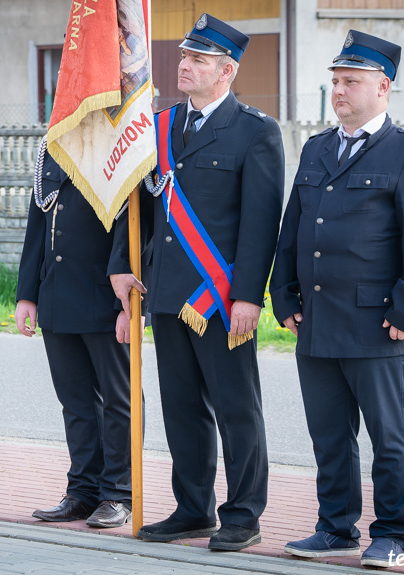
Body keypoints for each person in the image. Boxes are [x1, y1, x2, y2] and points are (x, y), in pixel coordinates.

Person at [269, 30, 404, 568]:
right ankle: (335, 527)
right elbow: (292, 228)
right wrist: (283, 296)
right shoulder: (318, 147)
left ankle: (391, 533)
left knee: (389, 438)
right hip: (318, 321)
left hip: (377, 323)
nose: (339, 90)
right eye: (336, 81)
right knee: (329, 436)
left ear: (382, 86)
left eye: (351, 81)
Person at [109, 13, 284, 551]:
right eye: (184, 58)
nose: (184, 67)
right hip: (166, 295)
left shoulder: (256, 131)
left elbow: (261, 226)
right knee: (181, 407)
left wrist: (250, 297)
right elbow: (134, 207)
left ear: (226, 70)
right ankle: (193, 508)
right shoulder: (159, 127)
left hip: (221, 299)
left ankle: (243, 514)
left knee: (236, 409)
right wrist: (121, 262)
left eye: (198, 60)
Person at [14, 145, 138, 529]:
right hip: (57, 293)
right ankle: (83, 492)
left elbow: (134, 224)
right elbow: (39, 223)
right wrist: (27, 294)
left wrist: (129, 305)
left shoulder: (123, 140)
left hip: (106, 295)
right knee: (76, 403)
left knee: (120, 401)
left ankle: (118, 493)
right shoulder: (54, 147)